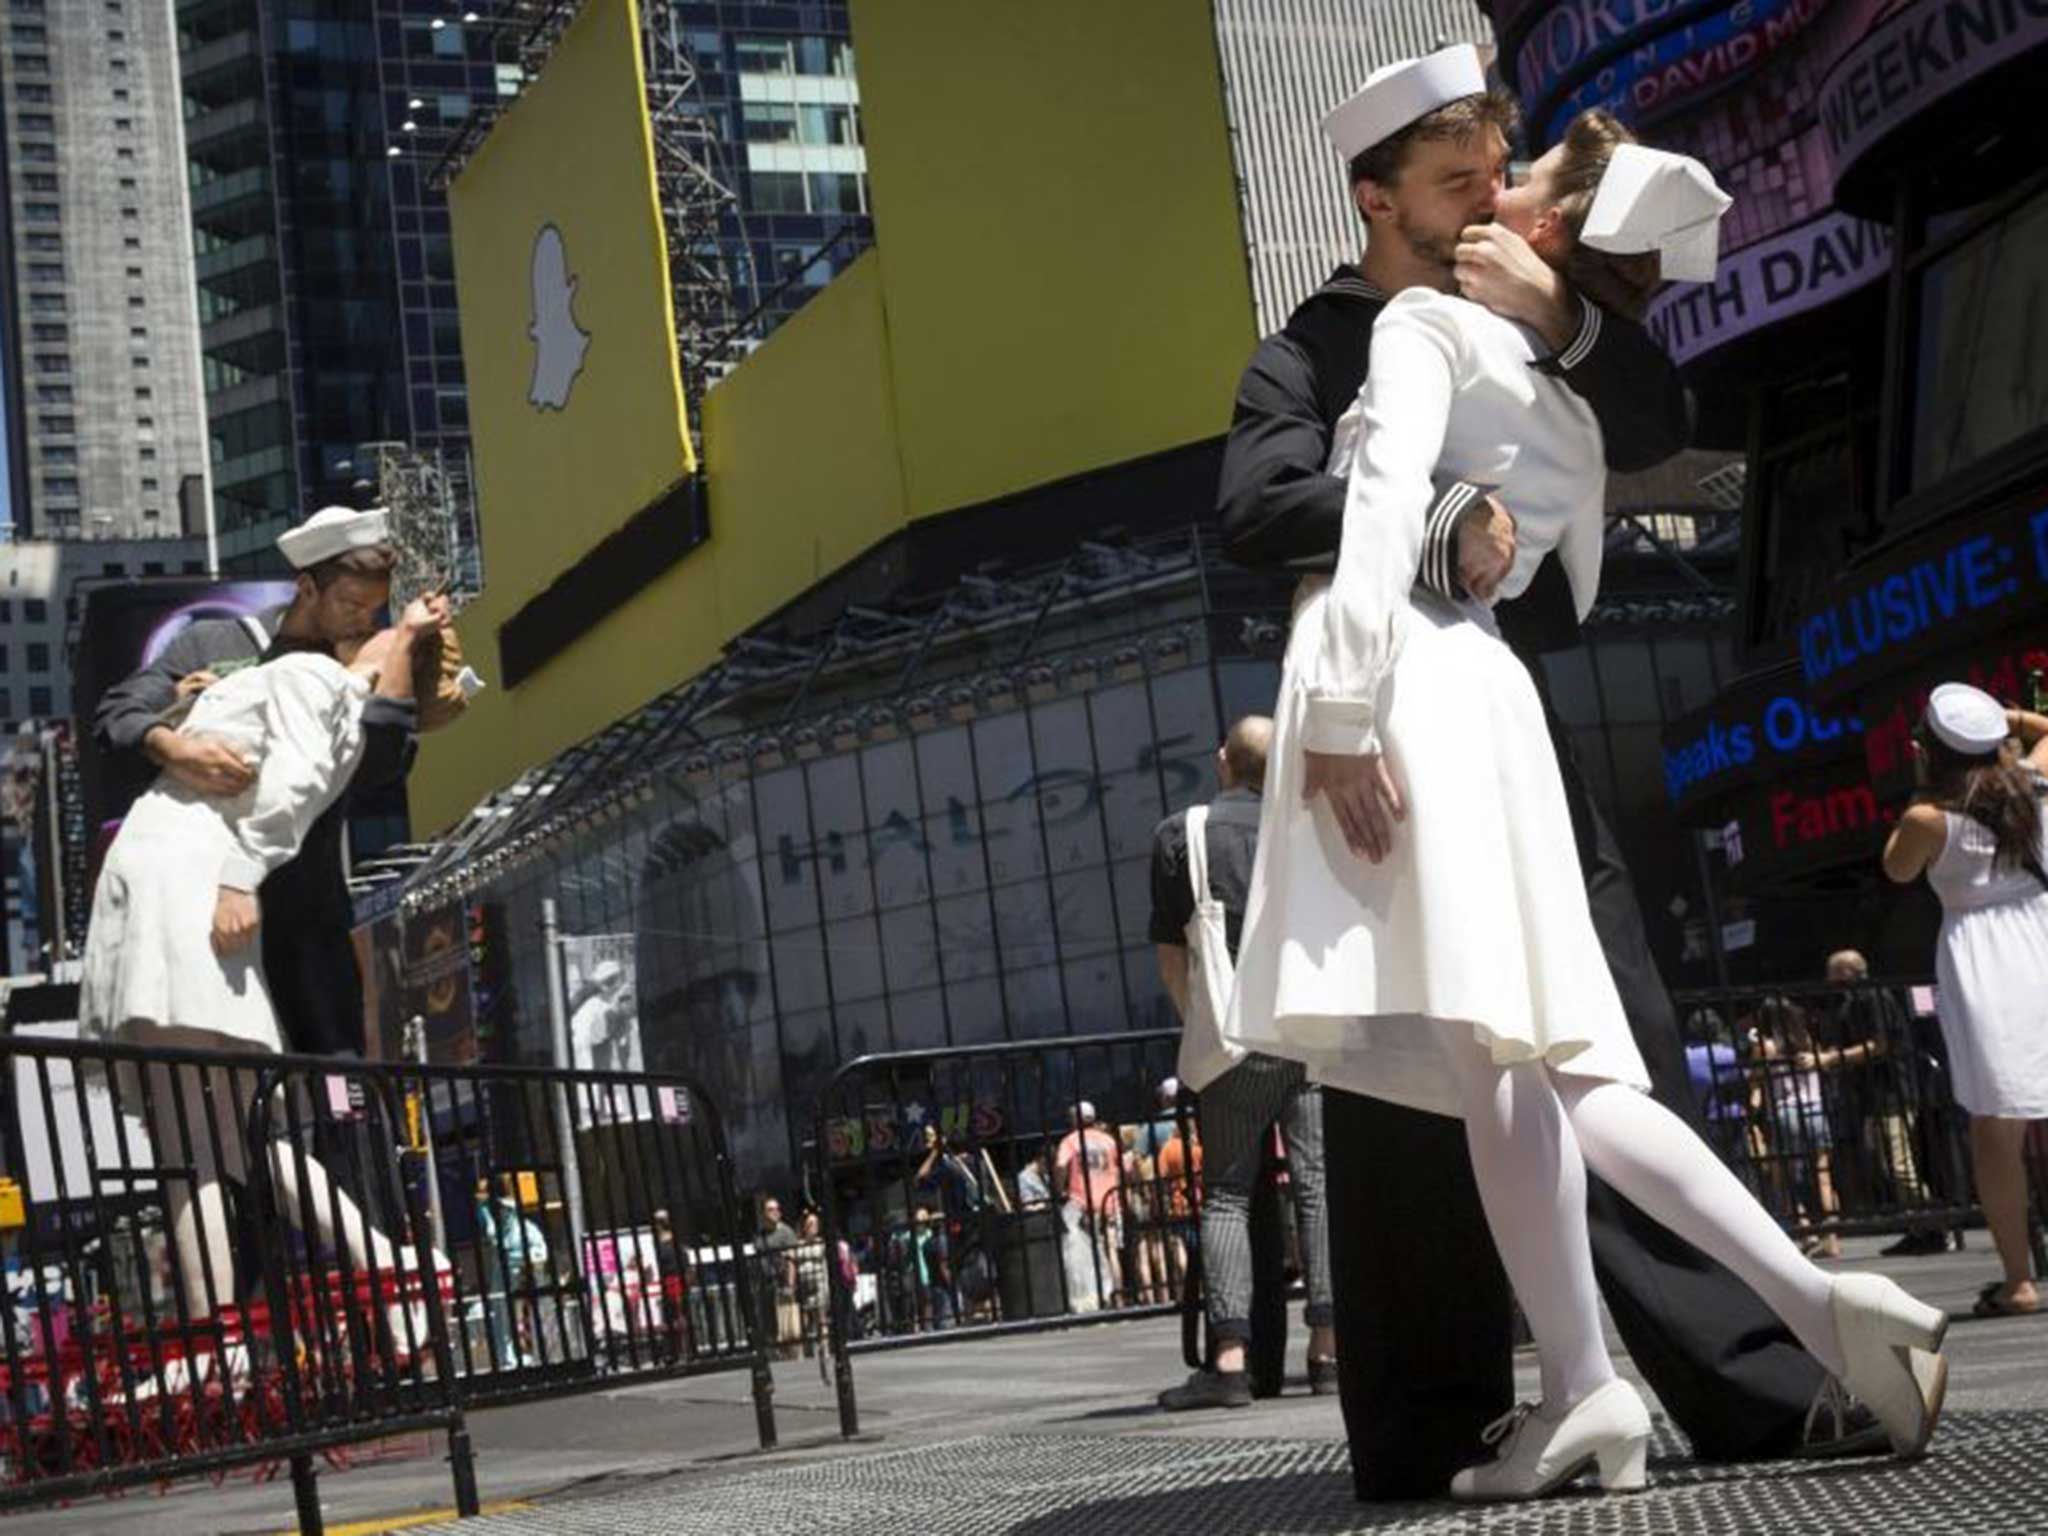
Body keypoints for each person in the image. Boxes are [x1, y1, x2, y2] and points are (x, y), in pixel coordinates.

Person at [1224, 106, 1949, 1502]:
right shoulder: (1318, 343)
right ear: (1379, 202)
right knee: (1499, 1073)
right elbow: (1265, 507)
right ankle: (1532, 1395)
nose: (1489, 197)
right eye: (1458, 183)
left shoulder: (1501, 322)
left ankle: (1723, 1372)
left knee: (1564, 1049)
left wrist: (1555, 317)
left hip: (1454, 713)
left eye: (1505, 177)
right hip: (1446, 700)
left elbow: (1649, 421)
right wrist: (1445, 525)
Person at [82, 600, 463, 1346]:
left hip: (188, 905)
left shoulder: (324, 693)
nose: (375, 621)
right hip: (182, 897)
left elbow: (286, 801)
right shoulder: (303, 677)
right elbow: (125, 713)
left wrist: (232, 874)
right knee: (221, 1140)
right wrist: (182, 715)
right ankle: (331, 1285)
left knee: (204, 1139)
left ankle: (230, 1331)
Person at [93, 506, 444, 1059]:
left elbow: (382, 766)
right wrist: (175, 747)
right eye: (351, 605)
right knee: (220, 1093)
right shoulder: (215, 643)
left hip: (307, 922)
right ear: (307, 587)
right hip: (202, 914)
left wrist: (400, 652)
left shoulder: (370, 664)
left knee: (339, 1094)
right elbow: (117, 715)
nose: (362, 622)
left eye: (375, 609)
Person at [1150, 717, 1335, 1410]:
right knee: (1319, 1190)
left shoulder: (1182, 835)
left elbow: (1172, 958)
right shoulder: (1308, 824)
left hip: (1233, 1038)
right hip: (1308, 1030)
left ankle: (1229, 1362)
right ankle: (1329, 1353)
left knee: (1227, 1193)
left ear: (1223, 762)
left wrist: (1200, 1022)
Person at [1882, 684, 2048, 1318]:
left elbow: (1897, 871)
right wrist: (2008, 718)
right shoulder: (2030, 785)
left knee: (1995, 1127)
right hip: (2038, 932)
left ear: (1929, 748)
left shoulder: (1928, 818)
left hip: (1986, 960)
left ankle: (2019, 1281)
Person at [1053, 1102, 1123, 1309]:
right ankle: (1117, 1294)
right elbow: (1119, 1167)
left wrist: (1060, 1189)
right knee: (1111, 1250)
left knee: (1086, 1251)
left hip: (1082, 1202)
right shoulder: (1108, 1140)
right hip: (1110, 1200)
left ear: (1075, 1119)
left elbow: (1060, 1166)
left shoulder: (1070, 1141)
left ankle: (1096, 1294)